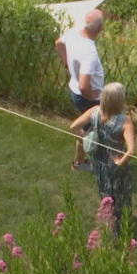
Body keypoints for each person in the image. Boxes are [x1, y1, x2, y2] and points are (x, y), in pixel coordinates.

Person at [70, 83, 136, 225]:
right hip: (115, 165)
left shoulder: (95, 111)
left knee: (104, 191)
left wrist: (83, 140)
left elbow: (73, 126)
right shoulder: (125, 120)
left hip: (98, 161)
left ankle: (108, 218)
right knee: (121, 194)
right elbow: (131, 150)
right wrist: (121, 162)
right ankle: (120, 223)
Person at [55, 9, 105, 170]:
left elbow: (58, 44)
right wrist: (92, 96)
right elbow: (84, 85)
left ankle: (86, 159)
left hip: (74, 88)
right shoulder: (89, 52)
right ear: (99, 29)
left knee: (87, 126)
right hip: (87, 96)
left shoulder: (73, 32)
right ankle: (80, 162)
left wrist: (67, 66)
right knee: (88, 129)